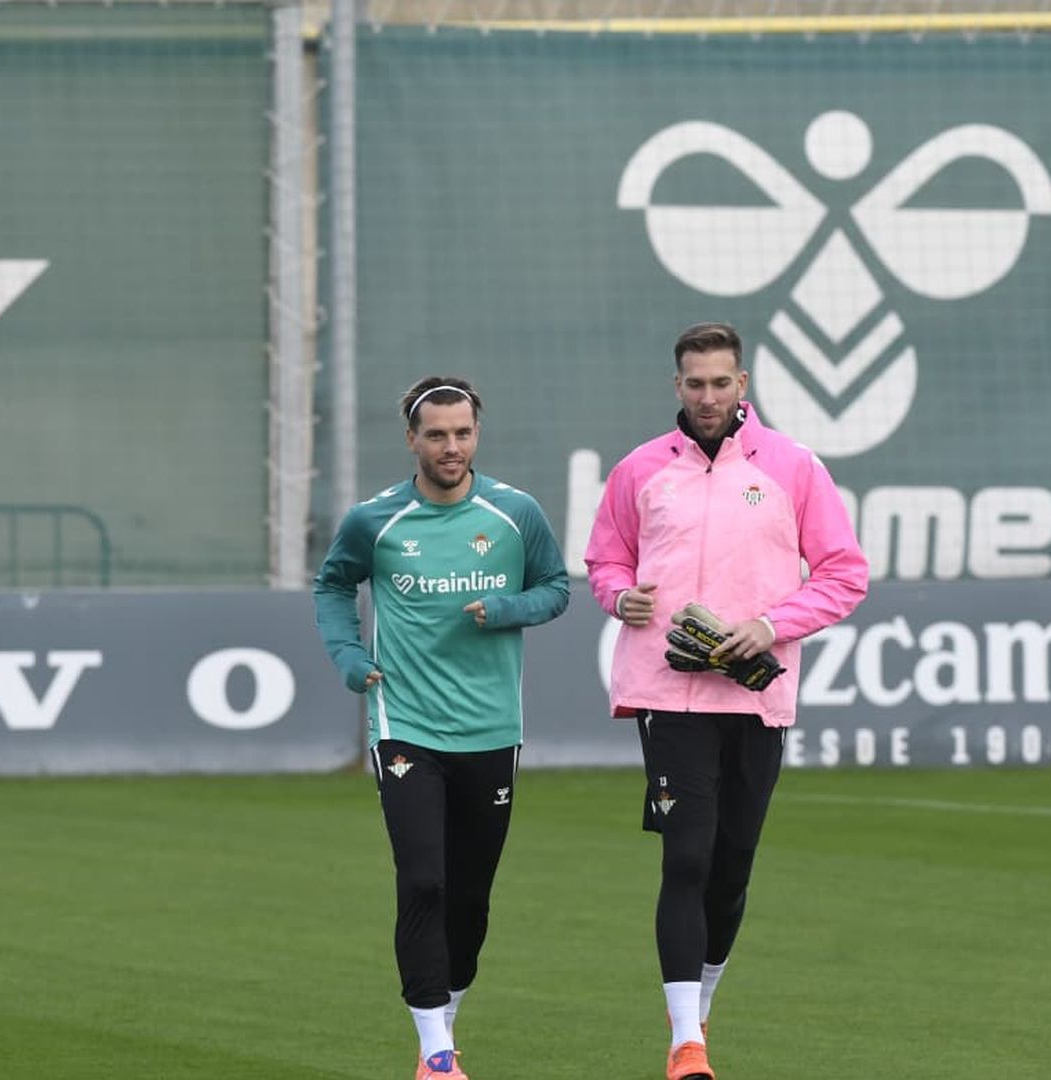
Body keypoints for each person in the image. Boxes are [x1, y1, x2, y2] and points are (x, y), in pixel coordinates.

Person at [585, 323, 869, 1080]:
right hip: (667, 693)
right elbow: (606, 558)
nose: (707, 397)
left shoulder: (795, 468)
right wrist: (622, 598)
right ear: (675, 387)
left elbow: (844, 573)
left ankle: (700, 1006)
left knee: (731, 866)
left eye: (720, 383)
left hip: (754, 695)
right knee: (687, 857)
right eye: (694, 384)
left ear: (741, 384)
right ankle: (687, 1044)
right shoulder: (640, 469)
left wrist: (770, 627)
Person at [314, 377, 570, 1080]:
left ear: (476, 435)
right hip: (405, 725)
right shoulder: (376, 521)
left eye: (462, 433)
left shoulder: (515, 513)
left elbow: (556, 588)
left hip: (491, 728)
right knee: (422, 878)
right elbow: (333, 584)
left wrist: (509, 607)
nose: (450, 446)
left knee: (470, 896)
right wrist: (346, 654)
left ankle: (446, 1014)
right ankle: (433, 1050)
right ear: (412, 440)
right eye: (436, 434)